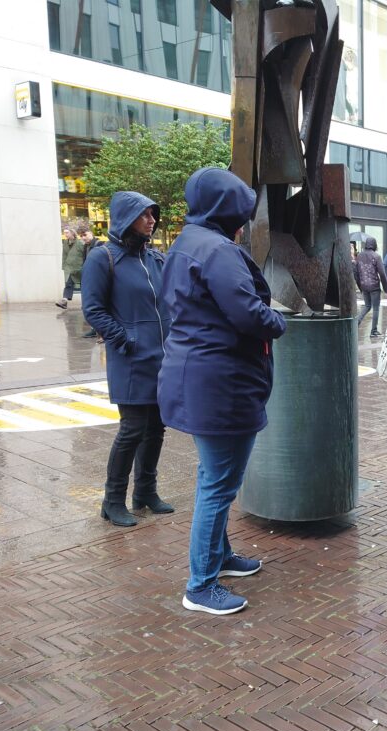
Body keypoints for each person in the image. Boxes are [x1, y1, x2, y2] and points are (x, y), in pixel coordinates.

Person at [158, 167, 288, 616]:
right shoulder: (217, 251)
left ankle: (220, 558)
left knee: (213, 476)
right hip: (221, 383)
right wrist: (279, 322)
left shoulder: (185, 243)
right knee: (219, 484)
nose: (244, 220)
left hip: (198, 377)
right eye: (241, 211)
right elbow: (249, 313)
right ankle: (201, 585)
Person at [81, 193, 173, 527]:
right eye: (144, 214)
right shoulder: (102, 258)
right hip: (131, 358)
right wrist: (125, 338)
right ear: (125, 218)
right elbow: (93, 309)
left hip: (161, 358)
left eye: (153, 214)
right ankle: (113, 500)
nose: (151, 220)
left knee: (156, 429)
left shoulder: (154, 258)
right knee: (132, 429)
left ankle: (145, 492)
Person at [354, 235, 387, 338]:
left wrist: (360, 286)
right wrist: (386, 288)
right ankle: (373, 331)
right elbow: (382, 274)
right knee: (375, 308)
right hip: (374, 286)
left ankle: (356, 323)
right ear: (374, 245)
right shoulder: (376, 256)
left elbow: (356, 272)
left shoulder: (359, 256)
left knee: (367, 306)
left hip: (364, 285)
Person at [77, 224, 102, 338]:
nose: (83, 238)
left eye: (85, 235)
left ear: (91, 233)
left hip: (98, 279)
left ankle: (99, 330)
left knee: (98, 305)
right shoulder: (85, 247)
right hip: (90, 278)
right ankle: (95, 329)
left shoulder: (99, 245)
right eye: (81, 236)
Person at [56, 226, 84, 310]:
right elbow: (64, 254)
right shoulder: (65, 242)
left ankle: (86, 303)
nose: (65, 234)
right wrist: (64, 266)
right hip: (69, 268)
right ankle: (64, 301)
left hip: (79, 268)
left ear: (72, 233)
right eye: (64, 233)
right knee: (68, 284)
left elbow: (84, 254)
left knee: (84, 286)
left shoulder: (80, 242)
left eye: (67, 232)